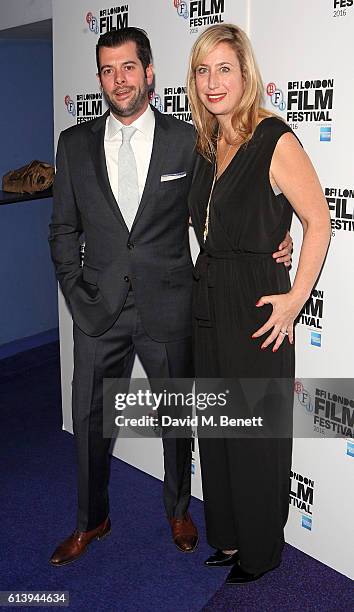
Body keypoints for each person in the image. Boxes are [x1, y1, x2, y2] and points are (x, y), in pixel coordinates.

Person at [48, 26, 293, 567]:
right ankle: (92, 520)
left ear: (149, 72)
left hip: (171, 305)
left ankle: (180, 509)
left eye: (129, 67)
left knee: (178, 417)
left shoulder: (190, 141)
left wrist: (279, 233)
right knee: (89, 417)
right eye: (108, 70)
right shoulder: (75, 144)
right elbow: (63, 229)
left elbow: (225, 205)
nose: (119, 79)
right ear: (100, 78)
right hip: (97, 310)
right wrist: (75, 289)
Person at [187, 24, 330, 584]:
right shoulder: (206, 142)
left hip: (256, 305)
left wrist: (295, 299)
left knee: (254, 433)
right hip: (209, 296)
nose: (213, 81)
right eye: (203, 70)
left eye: (225, 68)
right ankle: (226, 535)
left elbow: (318, 221)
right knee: (217, 429)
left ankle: (261, 550)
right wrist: (274, 231)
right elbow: (215, 221)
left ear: (246, 74)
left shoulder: (273, 137)